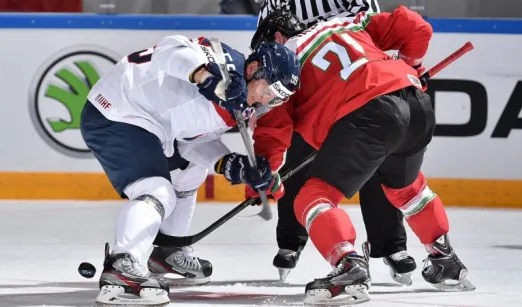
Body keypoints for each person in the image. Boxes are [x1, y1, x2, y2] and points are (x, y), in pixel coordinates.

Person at [246, 6, 475, 304]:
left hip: (368, 114)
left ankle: (348, 268)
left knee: (312, 198)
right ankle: (446, 261)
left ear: (277, 35)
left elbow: (272, 133)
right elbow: (417, 26)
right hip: (416, 104)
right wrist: (411, 65)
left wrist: (263, 179)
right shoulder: (348, 25)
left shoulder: (280, 62)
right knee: (407, 189)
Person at [80, 35, 301, 305]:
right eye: (268, 90)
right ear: (254, 70)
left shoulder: (239, 107)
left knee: (191, 171)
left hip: (155, 125)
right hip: (118, 110)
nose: (266, 101)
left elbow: (193, 141)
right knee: (156, 191)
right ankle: (122, 266)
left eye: (276, 99)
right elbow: (169, 48)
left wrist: (233, 164)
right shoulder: (224, 62)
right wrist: (205, 76)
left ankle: (168, 250)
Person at [254, 1, 416, 286]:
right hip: (313, 86)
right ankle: (291, 240)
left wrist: (402, 63)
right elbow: (268, 46)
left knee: (377, 161)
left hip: (356, 85)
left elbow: (375, 31)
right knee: (297, 155)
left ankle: (390, 244)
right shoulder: (275, 4)